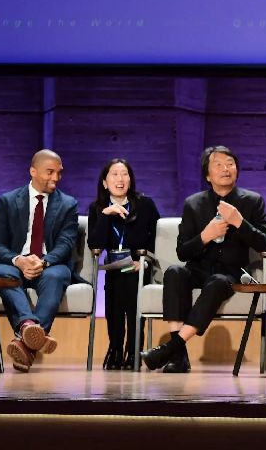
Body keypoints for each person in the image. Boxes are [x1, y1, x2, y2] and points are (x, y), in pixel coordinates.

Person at [142, 146, 266, 373]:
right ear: (207, 175)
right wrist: (205, 236)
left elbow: (265, 243)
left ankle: (170, 349)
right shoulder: (193, 203)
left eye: (230, 164)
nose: (226, 169)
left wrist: (239, 222)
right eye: (218, 165)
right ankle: (179, 356)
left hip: (231, 272)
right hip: (198, 269)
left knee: (218, 281)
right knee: (174, 272)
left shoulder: (252, 201)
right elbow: (183, 252)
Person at [0, 148, 83, 373]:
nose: (56, 178)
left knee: (57, 276)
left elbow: (65, 244)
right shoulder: (8, 201)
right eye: (50, 172)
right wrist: (18, 260)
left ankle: (25, 340)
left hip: (49, 265)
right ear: (33, 171)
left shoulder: (68, 204)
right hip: (15, 265)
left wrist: (44, 262)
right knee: (1, 273)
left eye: (59, 172)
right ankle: (29, 328)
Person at [87, 157, 160, 370]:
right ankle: (116, 348)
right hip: (114, 267)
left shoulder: (145, 205)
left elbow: (157, 237)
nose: (120, 179)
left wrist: (144, 262)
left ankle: (133, 350)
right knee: (114, 295)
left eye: (125, 174)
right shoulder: (97, 208)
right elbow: (95, 244)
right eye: (115, 174)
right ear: (104, 182)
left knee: (132, 287)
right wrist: (105, 216)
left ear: (130, 179)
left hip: (139, 267)